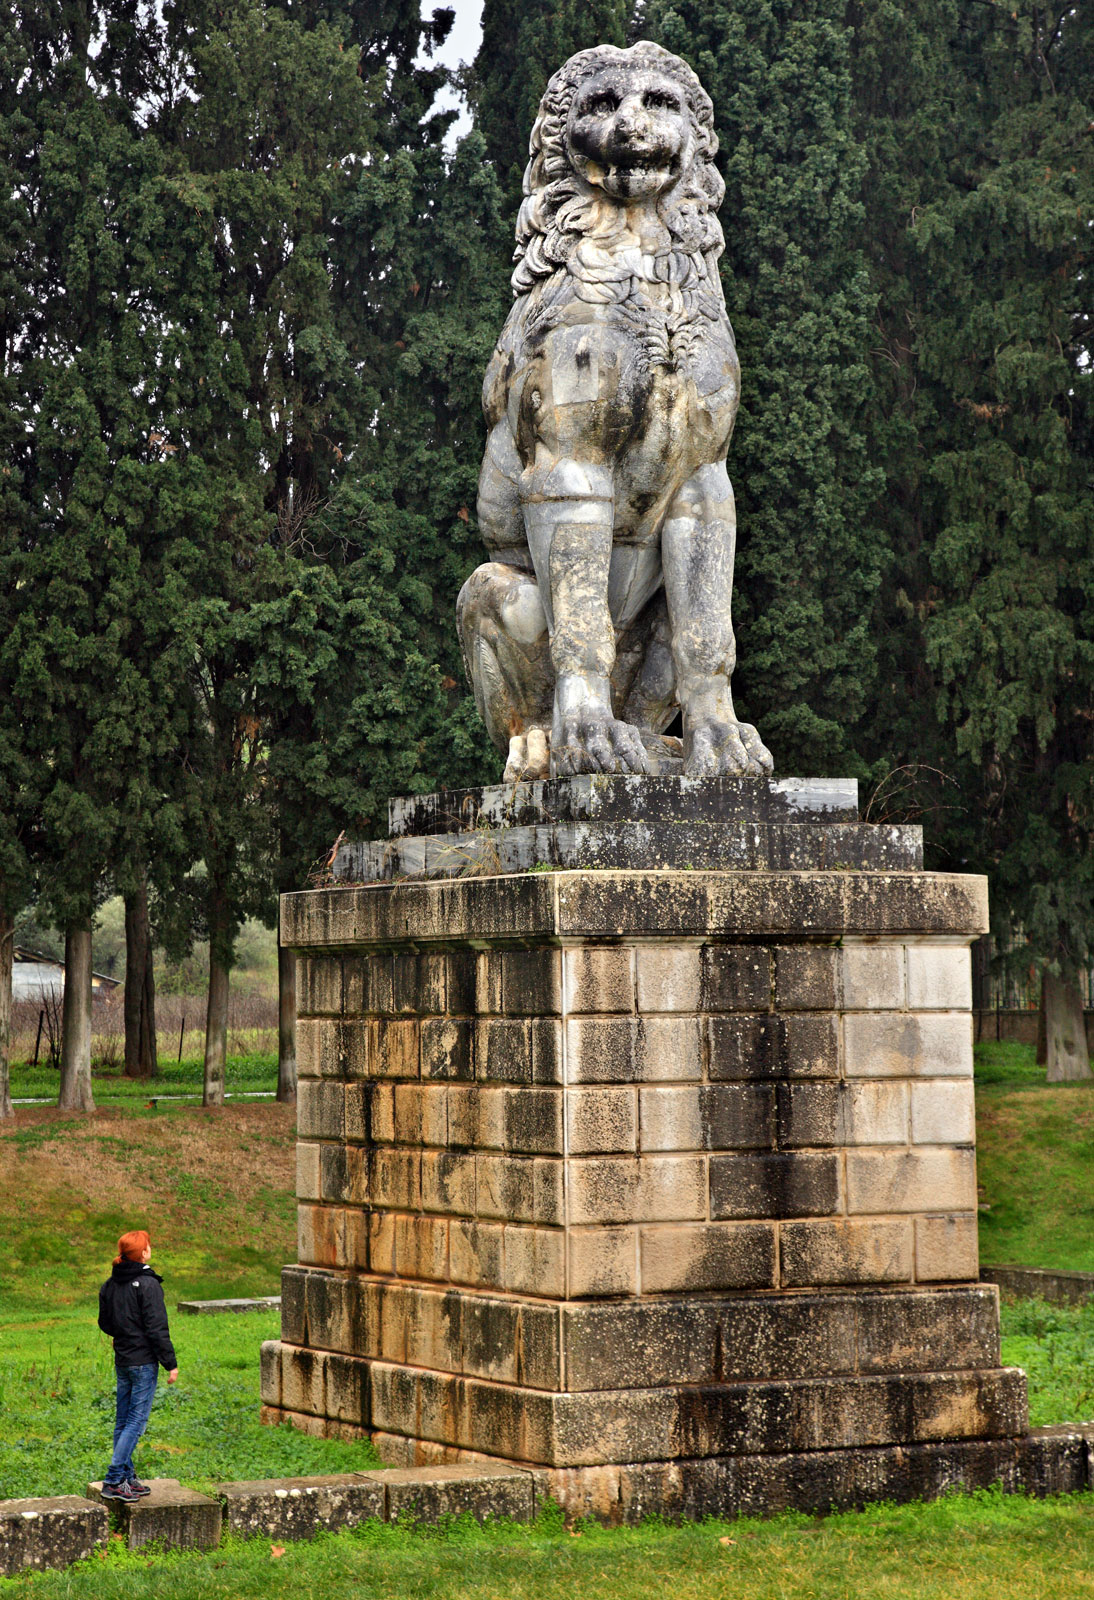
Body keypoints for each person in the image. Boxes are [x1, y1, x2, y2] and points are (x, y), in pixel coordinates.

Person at [97, 1229, 178, 1503]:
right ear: (143, 1253)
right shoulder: (148, 1283)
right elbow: (157, 1328)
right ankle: (113, 1480)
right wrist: (171, 1363)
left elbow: (105, 1323)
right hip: (143, 1362)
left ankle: (127, 1477)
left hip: (123, 1360)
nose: (150, 1249)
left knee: (123, 1420)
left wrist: (123, 1335)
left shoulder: (110, 1284)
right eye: (148, 1246)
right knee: (135, 1421)